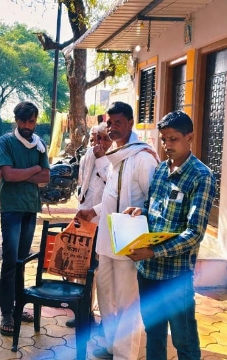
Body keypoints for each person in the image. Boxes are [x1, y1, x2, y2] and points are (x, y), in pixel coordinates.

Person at [124, 111, 216, 360]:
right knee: (153, 334)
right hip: (148, 272)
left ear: (190, 137)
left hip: (175, 276)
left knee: (183, 339)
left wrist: (153, 251)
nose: (167, 146)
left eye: (173, 139)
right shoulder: (161, 170)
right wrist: (139, 211)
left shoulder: (201, 176)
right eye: (163, 139)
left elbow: (194, 233)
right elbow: (154, 211)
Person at [76, 101, 159, 360]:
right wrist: (95, 211)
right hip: (106, 239)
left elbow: (153, 200)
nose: (112, 128)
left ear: (131, 123)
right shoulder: (117, 154)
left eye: (118, 123)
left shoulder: (143, 157)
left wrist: (140, 212)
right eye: (109, 123)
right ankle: (111, 346)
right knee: (106, 296)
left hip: (129, 240)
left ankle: (125, 355)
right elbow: (112, 194)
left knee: (127, 301)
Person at [0, 101, 50, 336]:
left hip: (30, 208)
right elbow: (7, 174)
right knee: (9, 260)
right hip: (11, 208)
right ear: (16, 120)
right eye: (23, 121)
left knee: (21, 260)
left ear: (35, 121)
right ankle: (6, 313)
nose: (27, 125)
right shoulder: (6, 141)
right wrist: (31, 172)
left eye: (31, 121)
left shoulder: (40, 145)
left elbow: (46, 177)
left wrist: (18, 174)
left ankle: (19, 307)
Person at [66, 123, 112, 328]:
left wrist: (102, 158)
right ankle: (83, 314)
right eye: (95, 138)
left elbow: (111, 188)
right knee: (80, 270)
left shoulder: (113, 161)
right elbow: (82, 183)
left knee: (101, 274)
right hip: (84, 220)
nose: (98, 143)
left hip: (103, 223)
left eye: (103, 138)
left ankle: (104, 318)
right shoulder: (87, 156)